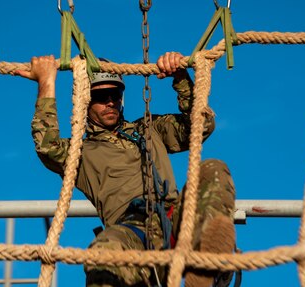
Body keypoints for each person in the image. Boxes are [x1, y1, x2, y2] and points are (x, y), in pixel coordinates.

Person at [15, 53, 236, 287]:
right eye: (100, 96)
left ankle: (206, 267)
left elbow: (201, 126)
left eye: (115, 94)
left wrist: (180, 77)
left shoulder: (150, 129)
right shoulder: (79, 152)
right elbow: (47, 148)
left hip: (176, 220)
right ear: (85, 99)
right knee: (103, 252)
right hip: (132, 232)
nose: (110, 102)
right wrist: (46, 82)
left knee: (214, 169)